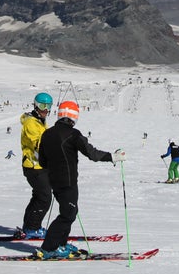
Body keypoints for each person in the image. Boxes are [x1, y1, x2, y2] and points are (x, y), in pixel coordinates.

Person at [35, 100, 122, 260]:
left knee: (70, 211)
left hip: (54, 181)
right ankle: (48, 248)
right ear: (74, 117)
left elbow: (42, 162)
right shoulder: (73, 134)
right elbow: (92, 154)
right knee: (67, 214)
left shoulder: (47, 133)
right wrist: (112, 157)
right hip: (68, 182)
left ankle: (60, 244)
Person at [16, 92, 53, 239]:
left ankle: (29, 226)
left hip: (39, 166)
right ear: (36, 105)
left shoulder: (39, 121)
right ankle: (33, 227)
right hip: (33, 166)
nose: (46, 110)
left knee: (38, 196)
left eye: (48, 106)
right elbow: (38, 144)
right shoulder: (31, 123)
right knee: (44, 197)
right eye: (43, 106)